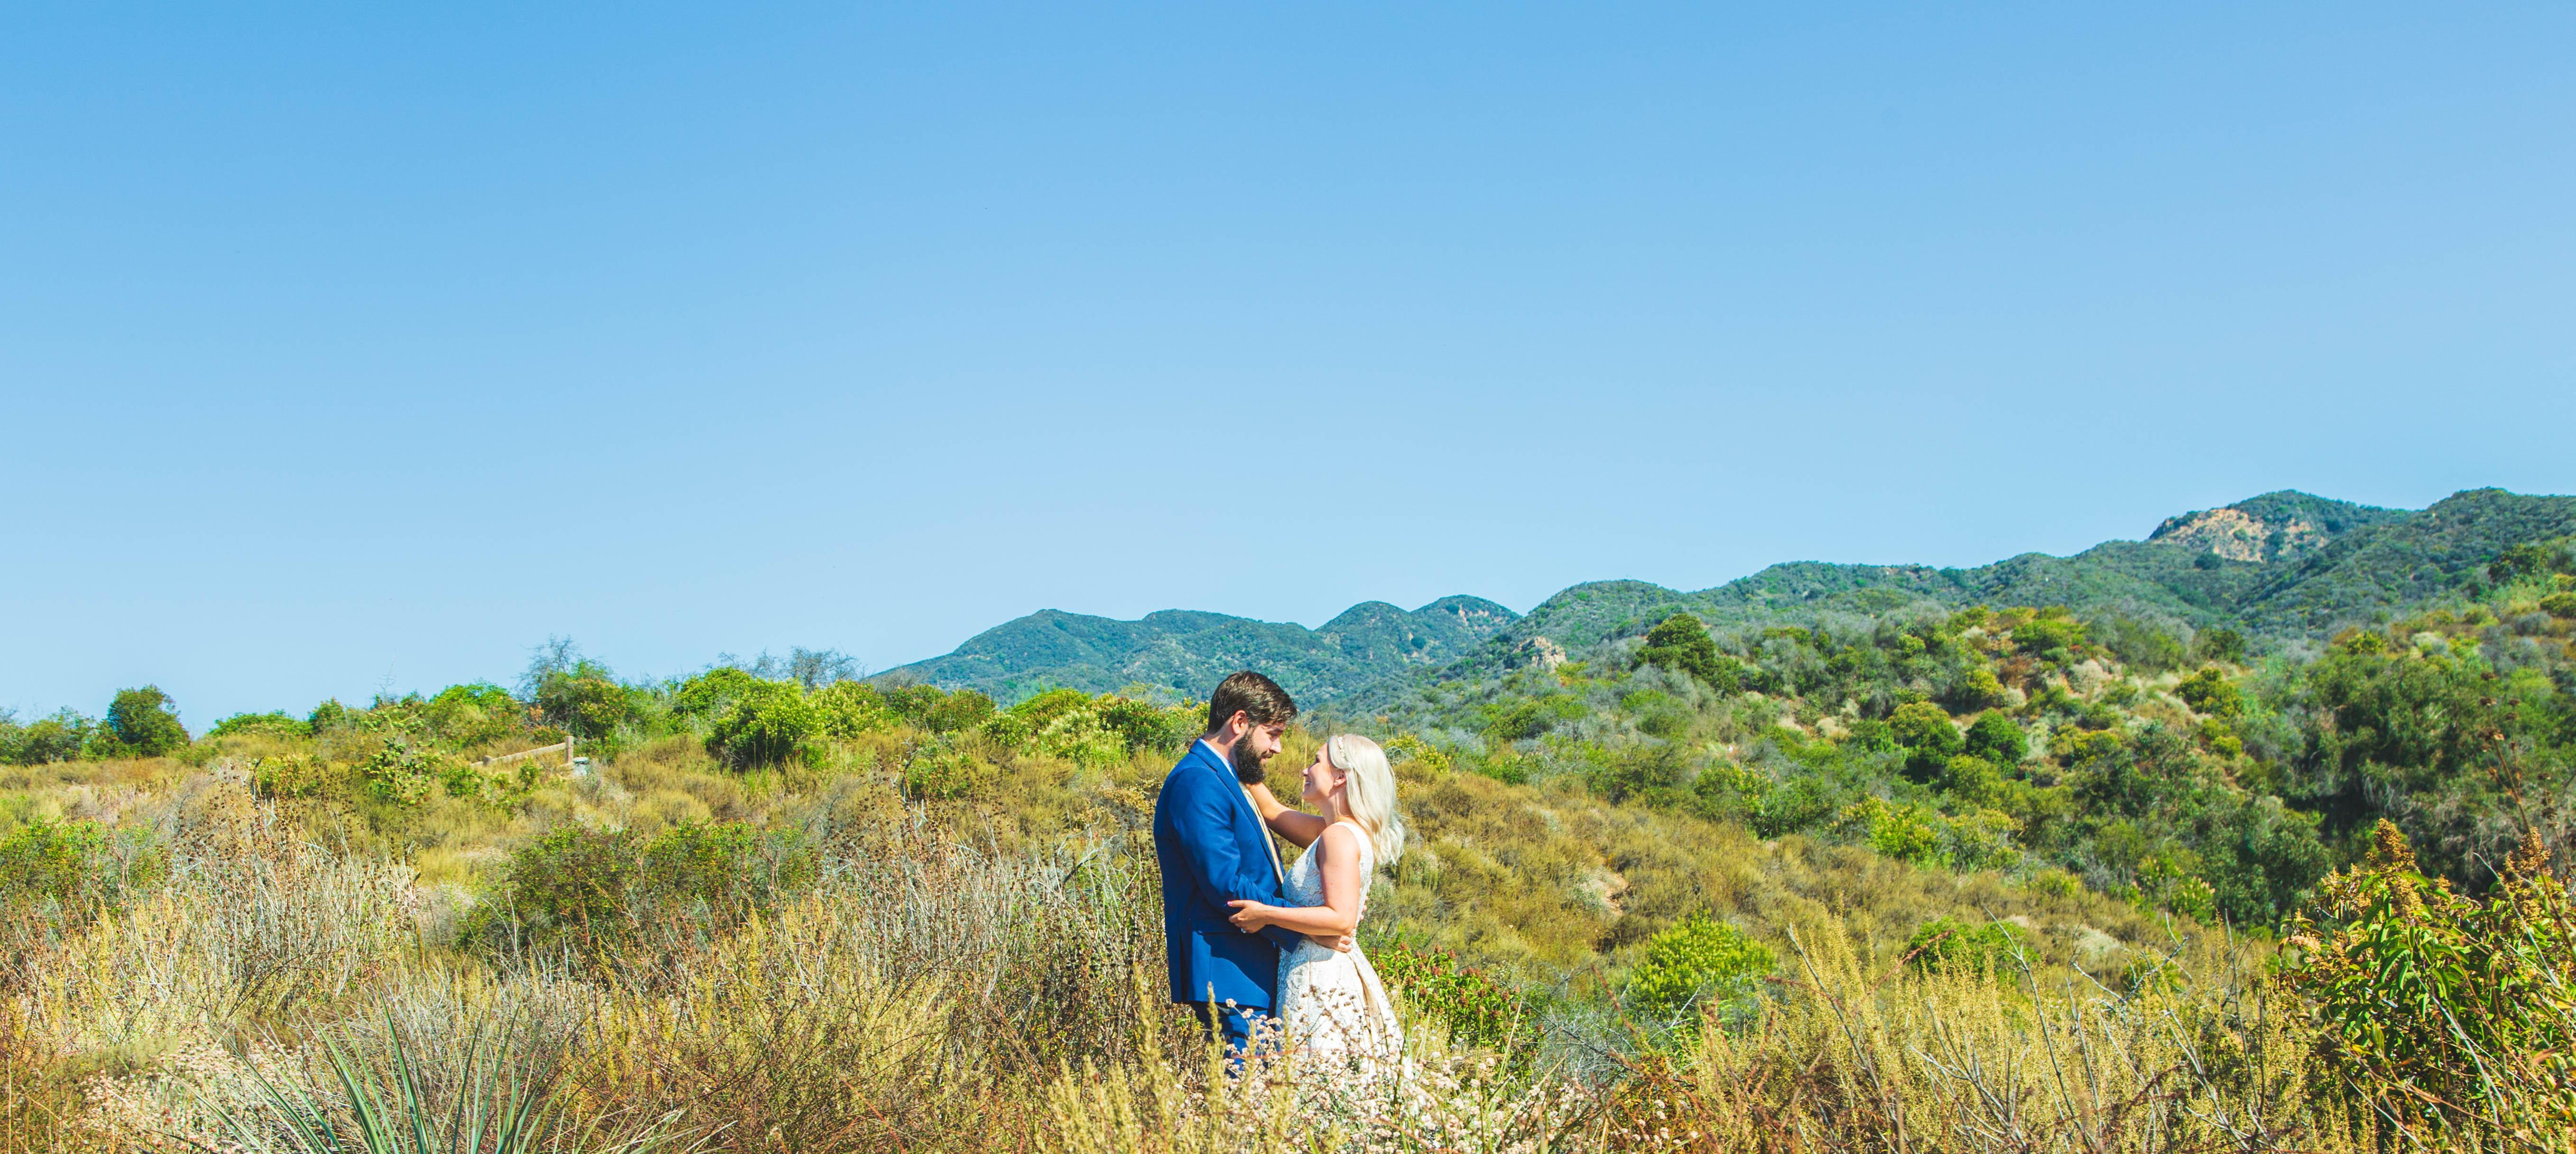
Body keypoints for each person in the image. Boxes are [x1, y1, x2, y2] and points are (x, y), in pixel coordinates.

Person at [1151, 671, 1350, 1056]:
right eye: (1272, 734)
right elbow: (1226, 882)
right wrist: (1304, 928)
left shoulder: (1226, 777)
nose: (1277, 748)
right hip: (1230, 969)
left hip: (1248, 968)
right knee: (1247, 1085)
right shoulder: (1197, 781)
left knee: (1258, 1085)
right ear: (1240, 722)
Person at [1228, 733, 1407, 1074]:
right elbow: (1273, 811)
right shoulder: (1337, 830)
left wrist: (1266, 914)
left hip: (1318, 975)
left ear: (1340, 777)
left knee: (1312, 1074)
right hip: (1317, 965)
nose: (1306, 769)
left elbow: (1341, 919)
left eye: (1316, 761)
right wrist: (1238, 753)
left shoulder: (1338, 836)